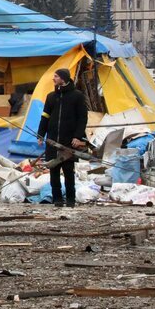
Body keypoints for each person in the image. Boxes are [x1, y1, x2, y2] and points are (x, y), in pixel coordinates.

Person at [38, 68, 89, 207]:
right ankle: (57, 199)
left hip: (69, 141)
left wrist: (78, 136)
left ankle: (71, 200)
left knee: (68, 171)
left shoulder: (77, 96)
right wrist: (41, 134)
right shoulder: (51, 96)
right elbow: (45, 117)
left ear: (63, 78)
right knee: (53, 171)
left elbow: (82, 118)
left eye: (56, 76)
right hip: (52, 140)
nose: (53, 78)